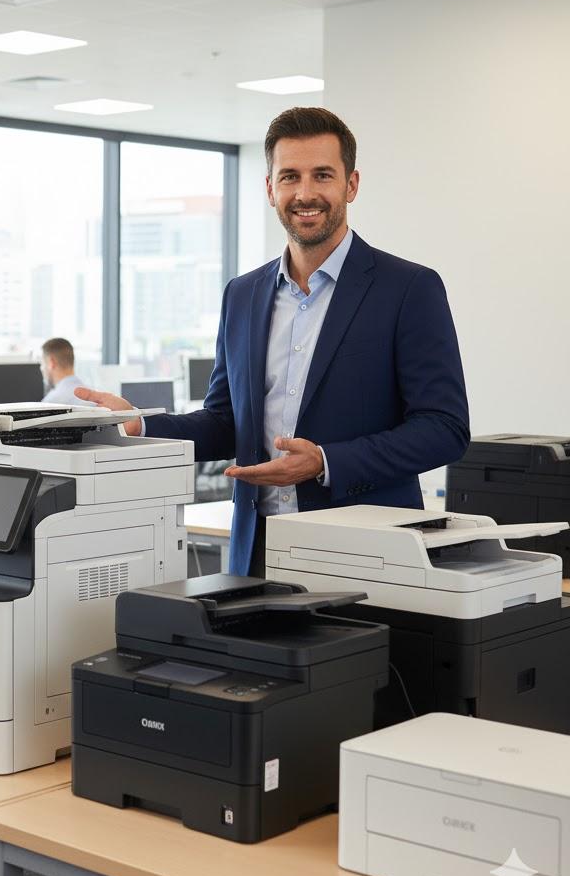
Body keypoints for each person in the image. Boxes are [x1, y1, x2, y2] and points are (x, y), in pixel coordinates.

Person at [76, 107, 470, 577]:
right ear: (269, 189)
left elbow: (444, 428)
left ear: (351, 184)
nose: (305, 194)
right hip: (256, 552)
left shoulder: (407, 289)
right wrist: (139, 427)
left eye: (322, 175)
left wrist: (325, 462)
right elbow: (227, 422)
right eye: (290, 177)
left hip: (366, 553)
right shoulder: (242, 295)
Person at [40, 337, 90, 405]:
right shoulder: (91, 396)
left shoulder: (50, 402)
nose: (41, 368)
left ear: (51, 363)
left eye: (42, 363)